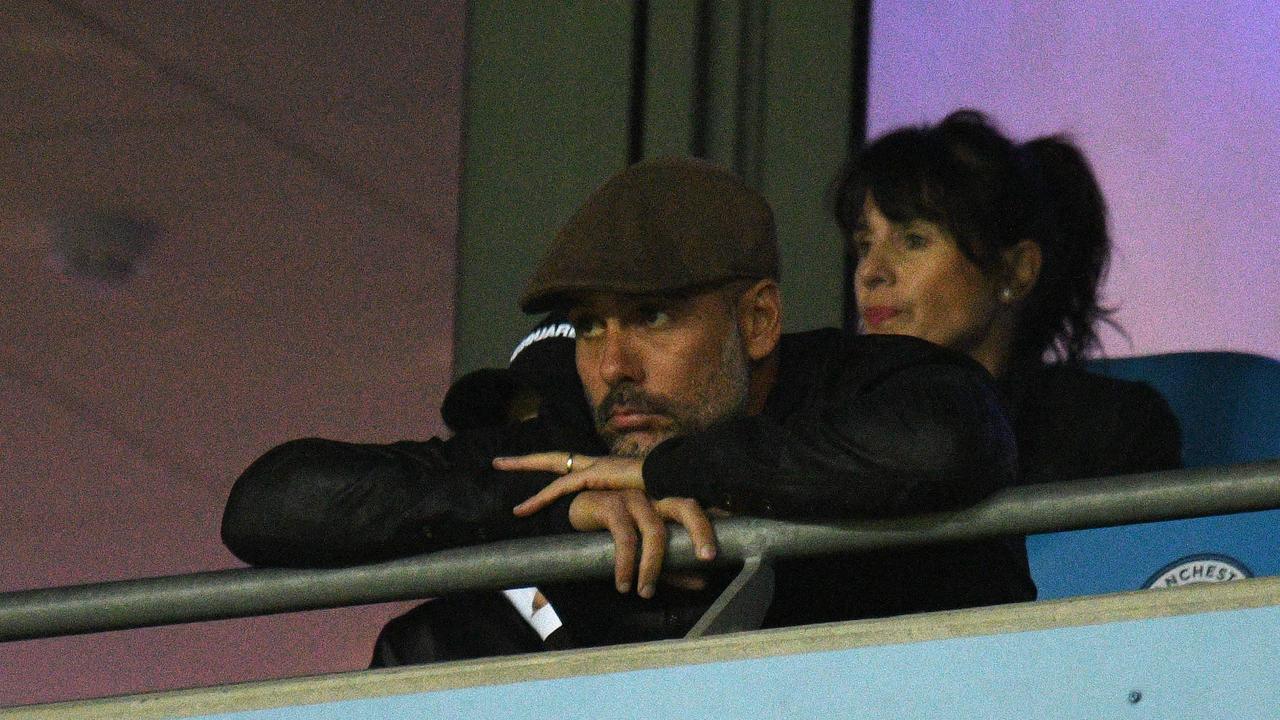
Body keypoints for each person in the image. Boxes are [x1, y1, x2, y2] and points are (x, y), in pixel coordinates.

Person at [221, 157, 1033, 665]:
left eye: (652, 318)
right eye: (591, 326)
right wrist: (563, 506)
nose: (612, 365)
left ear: (756, 321)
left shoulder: (856, 380)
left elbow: (950, 441)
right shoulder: (573, 438)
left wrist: (671, 473)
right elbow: (269, 504)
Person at [831, 111, 1181, 485]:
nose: (871, 272)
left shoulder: (1112, 431)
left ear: (1016, 271)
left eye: (913, 240)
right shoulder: (835, 422)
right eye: (865, 245)